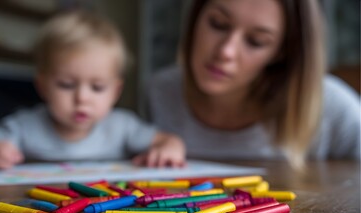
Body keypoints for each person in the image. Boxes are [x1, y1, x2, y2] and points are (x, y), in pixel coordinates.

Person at [147, 0, 360, 169]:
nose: (225, 51)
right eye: (218, 23)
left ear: (282, 52)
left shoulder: (335, 108)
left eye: (256, 41)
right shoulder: (160, 92)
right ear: (196, 16)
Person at [0, 10, 185, 169]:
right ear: (43, 86)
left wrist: (169, 148)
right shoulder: (27, 125)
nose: (82, 98)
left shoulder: (122, 126)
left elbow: (169, 140)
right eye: (66, 85)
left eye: (97, 87)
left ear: (115, 92)